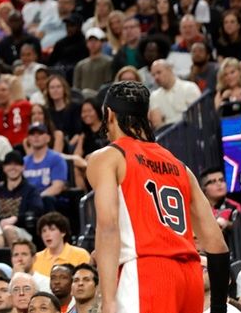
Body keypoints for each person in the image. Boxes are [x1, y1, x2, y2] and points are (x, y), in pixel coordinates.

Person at [86, 81, 229, 313]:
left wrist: (109, 300)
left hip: (146, 272)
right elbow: (217, 245)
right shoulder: (181, 167)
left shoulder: (108, 157)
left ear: (109, 114)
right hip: (190, 277)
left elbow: (108, 227)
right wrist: (218, 307)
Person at [148, 60, 202, 129]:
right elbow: (158, 125)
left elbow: (196, 116)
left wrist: (166, 121)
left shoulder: (189, 87)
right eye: (153, 75)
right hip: (168, 137)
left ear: (169, 70)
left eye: (159, 72)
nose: (156, 77)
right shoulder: (154, 96)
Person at [32, 213, 89, 278]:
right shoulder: (36, 258)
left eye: (52, 229)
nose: (47, 234)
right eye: (44, 231)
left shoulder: (81, 255)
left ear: (63, 232)